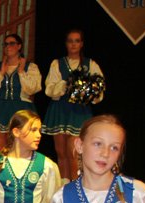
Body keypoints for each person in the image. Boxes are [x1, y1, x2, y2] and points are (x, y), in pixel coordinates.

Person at [43, 29, 104, 182]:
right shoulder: (57, 63)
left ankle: (77, 187)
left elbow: (99, 90)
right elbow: (49, 89)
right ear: (66, 44)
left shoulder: (90, 64)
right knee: (61, 153)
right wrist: (65, 85)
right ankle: (64, 186)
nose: (73, 44)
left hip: (79, 111)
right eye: (70, 41)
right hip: (60, 109)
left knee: (74, 152)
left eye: (77, 41)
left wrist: (86, 91)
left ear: (82, 44)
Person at [0, 34, 42, 154]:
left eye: (12, 43)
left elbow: (33, 88)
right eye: (6, 44)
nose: (8, 46)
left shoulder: (30, 67)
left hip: (22, 109)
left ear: (19, 46)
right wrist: (1, 73)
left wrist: (21, 72)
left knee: (21, 148)